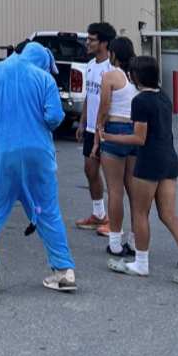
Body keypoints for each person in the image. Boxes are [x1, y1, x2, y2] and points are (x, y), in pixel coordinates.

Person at [0, 43, 76, 293]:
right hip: (39, 155)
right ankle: (64, 271)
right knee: (48, 212)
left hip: (0, 154)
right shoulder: (44, 79)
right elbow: (55, 117)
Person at [106, 55, 178, 286]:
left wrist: (111, 137)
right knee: (168, 214)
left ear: (138, 75)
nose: (130, 76)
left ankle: (141, 263)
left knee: (140, 213)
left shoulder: (140, 101)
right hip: (168, 159)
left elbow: (140, 138)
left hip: (148, 160)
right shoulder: (164, 98)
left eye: (132, 73)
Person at [93, 36, 138, 260]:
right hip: (136, 131)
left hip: (114, 128)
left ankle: (115, 243)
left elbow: (103, 110)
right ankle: (135, 240)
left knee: (115, 190)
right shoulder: (139, 76)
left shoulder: (110, 76)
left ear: (113, 54)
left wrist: (97, 138)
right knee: (133, 190)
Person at [75, 23, 116, 233]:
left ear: (104, 43)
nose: (87, 43)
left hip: (107, 129)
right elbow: (89, 97)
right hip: (91, 128)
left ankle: (114, 223)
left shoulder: (113, 67)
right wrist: (83, 123)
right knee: (90, 170)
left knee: (112, 177)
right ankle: (99, 215)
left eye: (91, 40)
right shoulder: (90, 65)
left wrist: (103, 127)